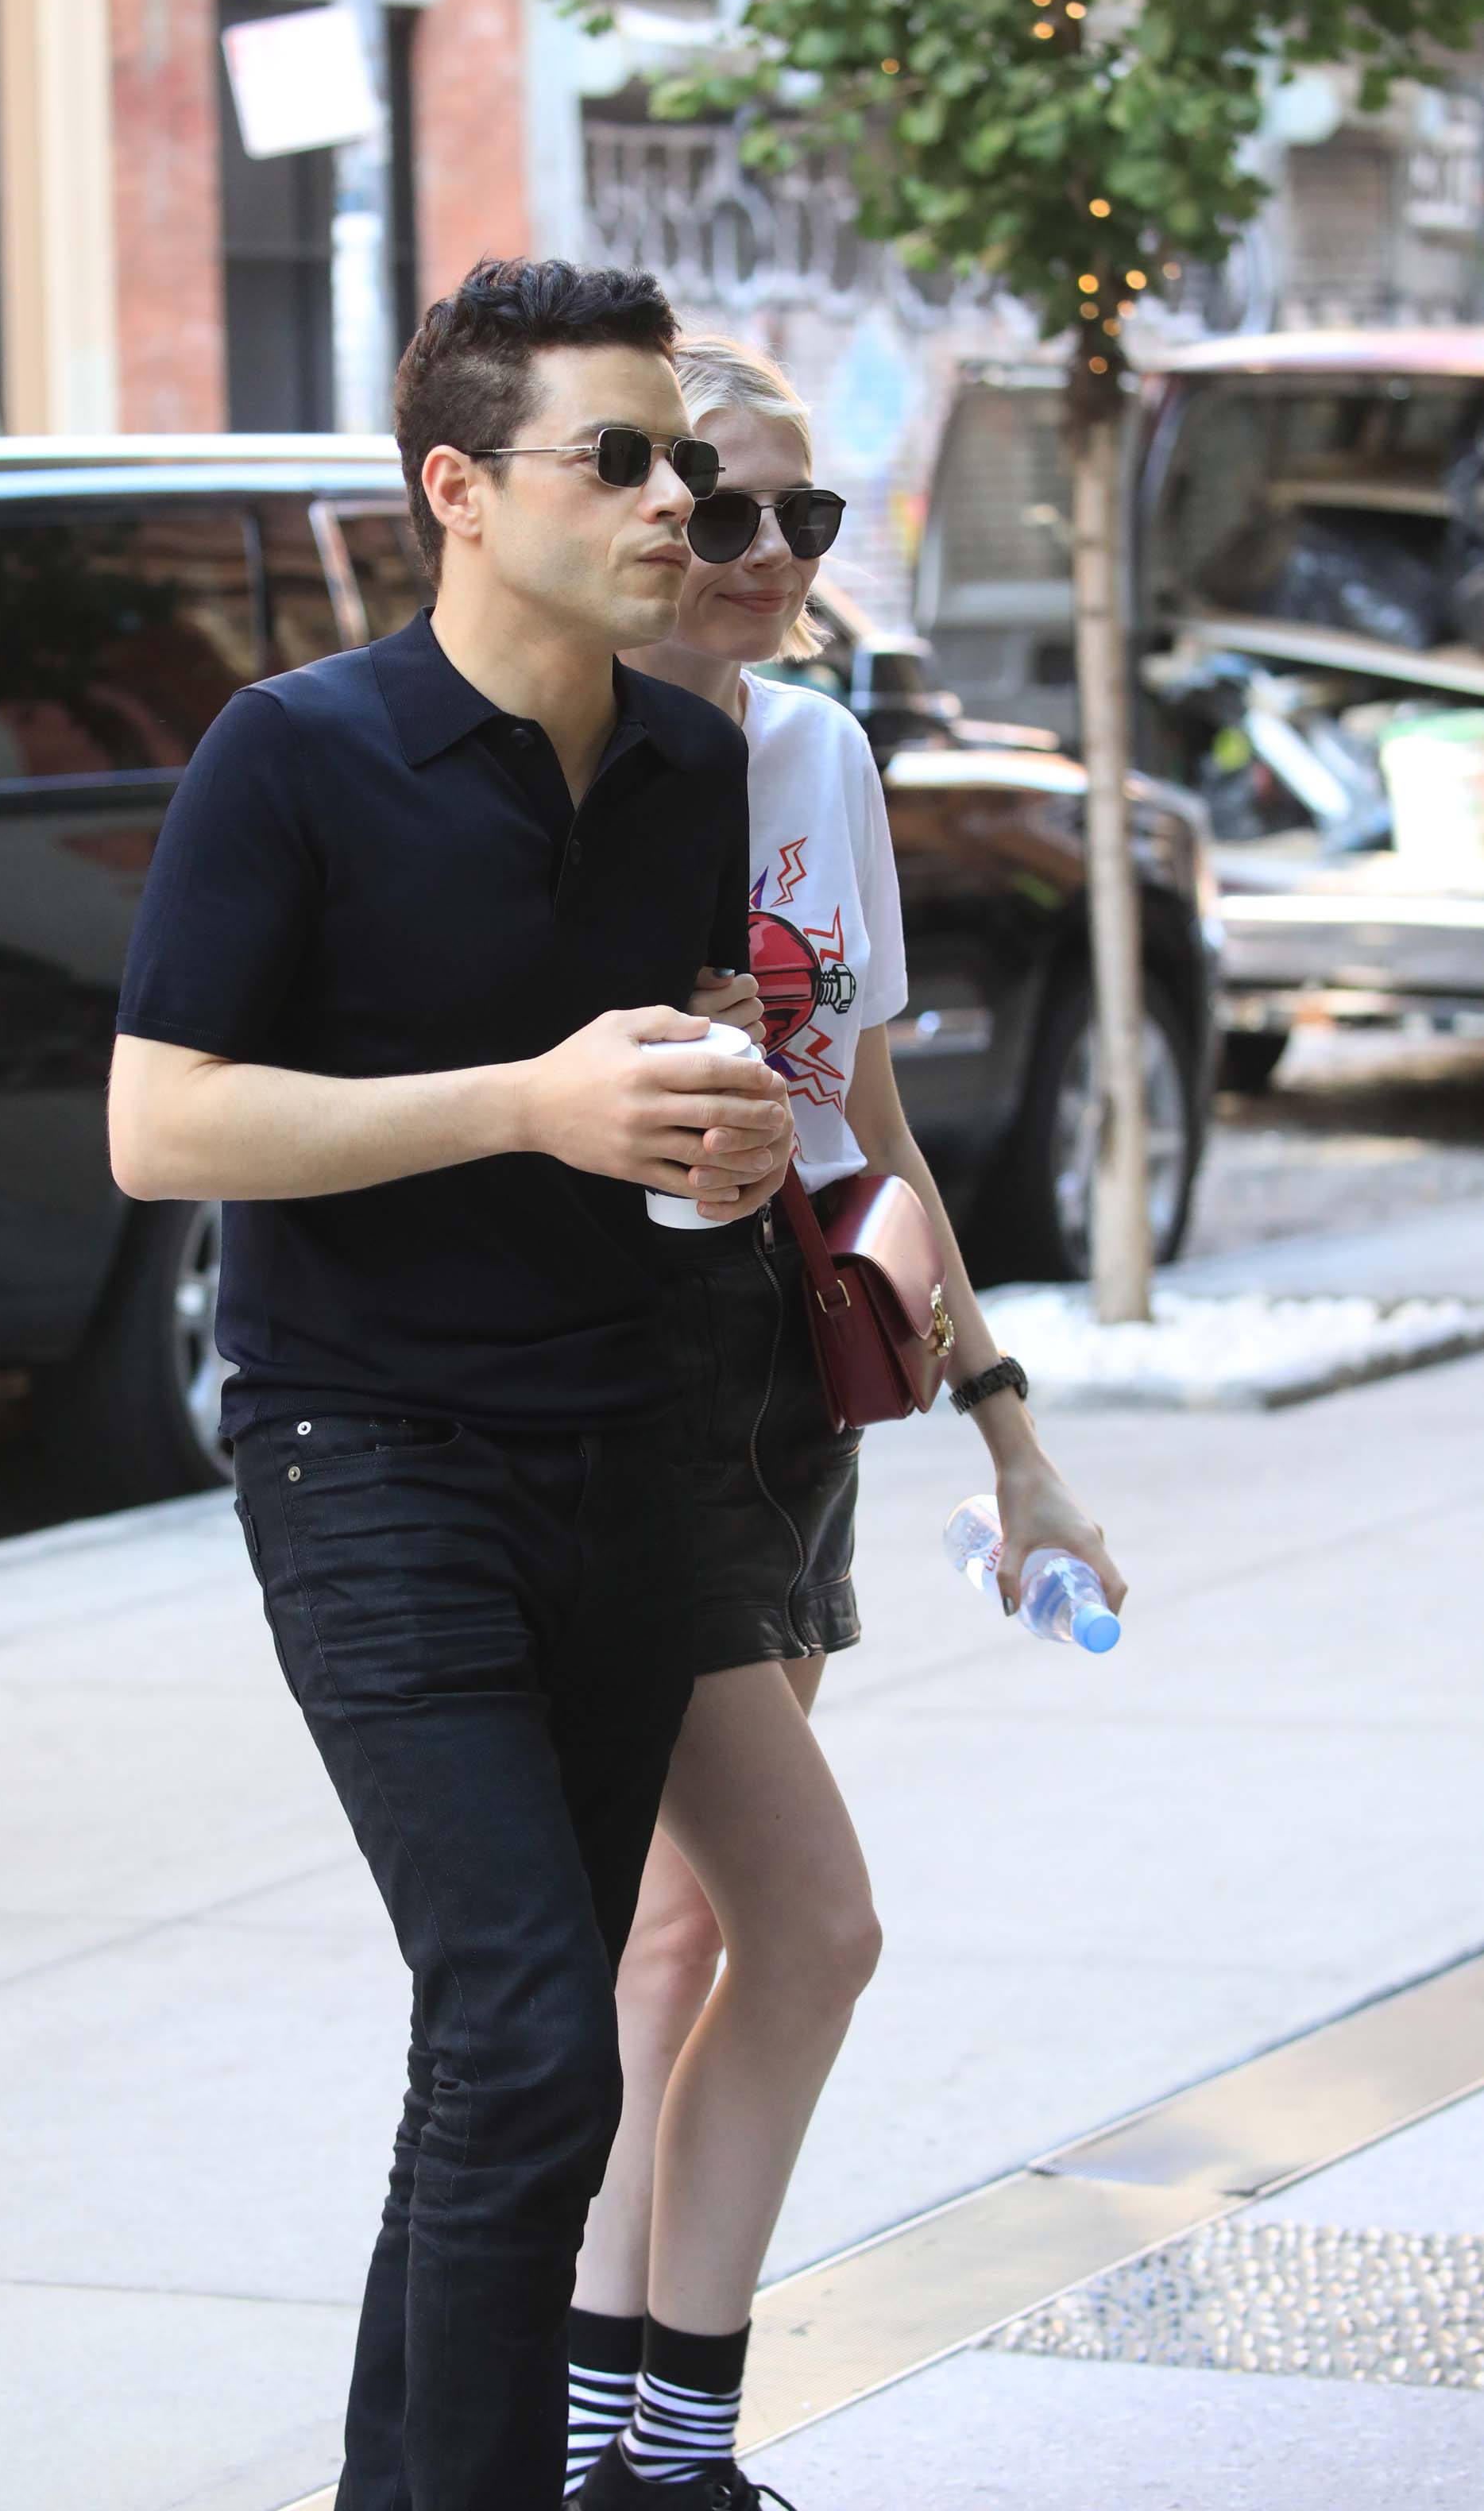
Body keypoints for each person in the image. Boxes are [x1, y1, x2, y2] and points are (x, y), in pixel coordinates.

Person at [107, 262, 798, 2511]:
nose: (673, 503)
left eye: (684, 461)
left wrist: (728, 1125)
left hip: (623, 1445)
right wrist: (524, 1105)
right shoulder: (292, 753)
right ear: (456, 493)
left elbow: (655, 1087)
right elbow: (162, 1128)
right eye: (617, 457)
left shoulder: (694, 759)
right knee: (522, 2035)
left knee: (516, 2069)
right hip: (368, 1450)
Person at [564, 338, 1128, 2509]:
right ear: (634, 510)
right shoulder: (561, 767)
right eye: (723, 511)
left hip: (792, 1385)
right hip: (619, 1396)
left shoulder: (817, 754)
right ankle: (633, 2443)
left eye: (800, 516)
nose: (768, 555)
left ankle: (617, 2447)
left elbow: (861, 1119)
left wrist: (1004, 1427)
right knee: (737, 1926)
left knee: (692, 1932)